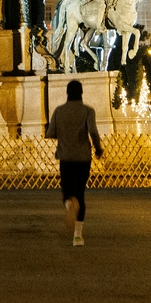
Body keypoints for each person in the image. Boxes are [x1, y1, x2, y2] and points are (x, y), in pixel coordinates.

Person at [46, 79, 104, 247]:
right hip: (83, 157)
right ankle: (77, 236)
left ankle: (68, 202)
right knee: (80, 193)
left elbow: (51, 133)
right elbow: (93, 131)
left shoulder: (59, 111)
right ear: (81, 93)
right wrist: (98, 148)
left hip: (65, 157)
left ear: (67, 93)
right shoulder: (88, 111)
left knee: (67, 190)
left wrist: (65, 134)